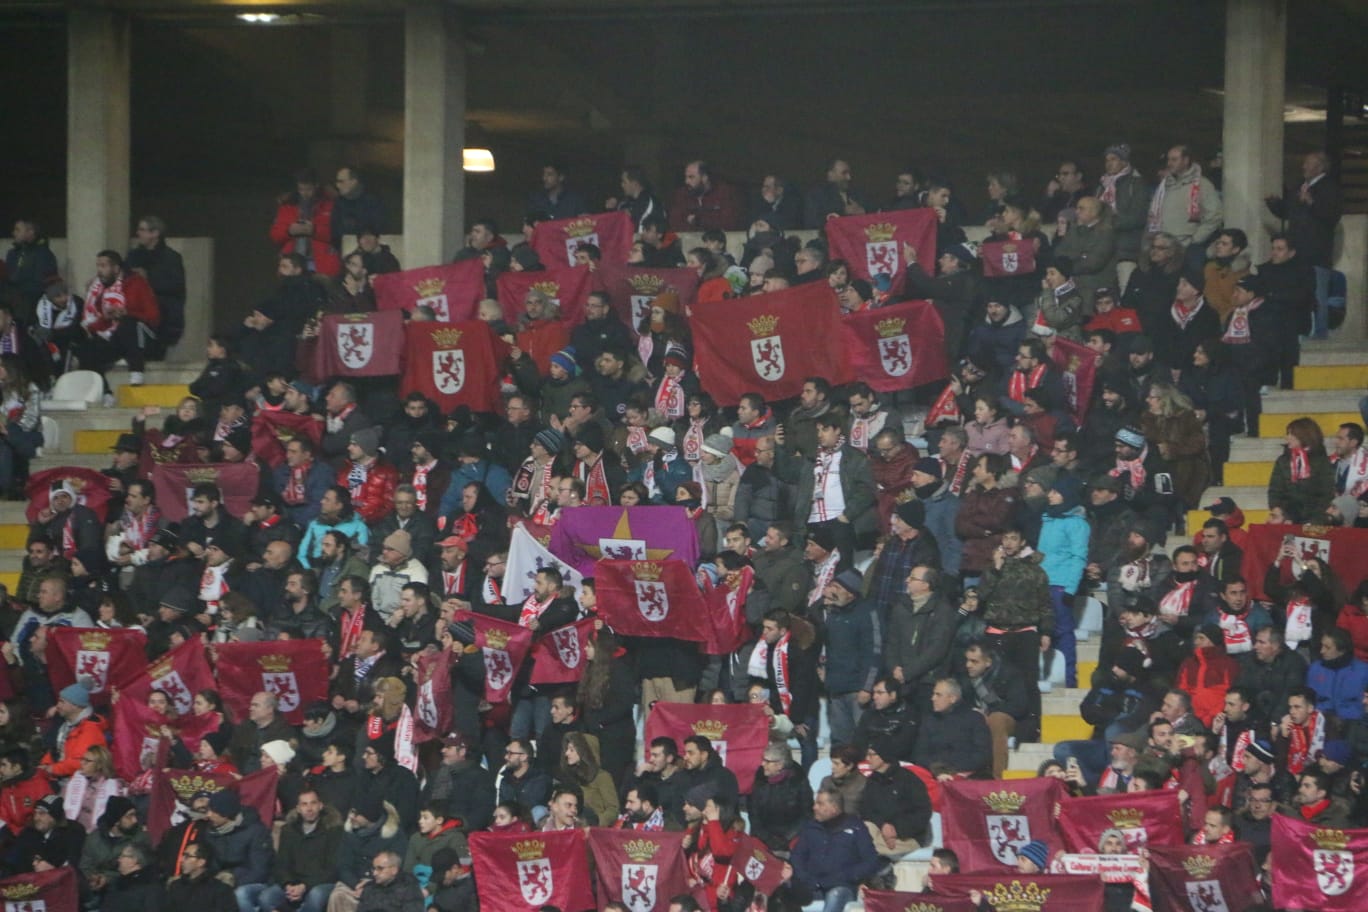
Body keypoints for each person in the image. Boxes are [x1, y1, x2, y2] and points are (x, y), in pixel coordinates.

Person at [784, 787, 882, 912]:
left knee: (835, 895)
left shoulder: (856, 827)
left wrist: (846, 876)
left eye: (820, 804)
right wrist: (806, 878)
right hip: (811, 885)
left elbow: (871, 861)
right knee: (783, 893)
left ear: (834, 808)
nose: (814, 807)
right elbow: (797, 857)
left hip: (842, 886)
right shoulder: (811, 827)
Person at [76, 250, 160, 385]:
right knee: (87, 350)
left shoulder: (137, 283)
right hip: (114, 336)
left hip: (143, 337)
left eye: (103, 266)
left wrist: (127, 313)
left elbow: (153, 317)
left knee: (128, 323)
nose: (99, 270)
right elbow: (93, 323)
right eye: (98, 266)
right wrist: (106, 317)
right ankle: (104, 392)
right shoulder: (98, 289)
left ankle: (137, 372)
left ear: (116, 268)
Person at [861, 735, 931, 858]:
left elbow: (922, 813)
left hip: (907, 838)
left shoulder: (909, 780)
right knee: (863, 832)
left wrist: (896, 829)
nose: (867, 759)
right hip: (880, 834)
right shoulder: (872, 781)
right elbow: (867, 811)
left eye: (872, 754)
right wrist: (883, 826)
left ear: (884, 755)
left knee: (862, 848)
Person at [125, 214, 187, 349]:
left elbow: (176, 287)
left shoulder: (171, 258)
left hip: (163, 314)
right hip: (136, 309)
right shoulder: (133, 256)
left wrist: (148, 279)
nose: (138, 233)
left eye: (142, 230)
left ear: (155, 233)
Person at [748, 743, 811, 853]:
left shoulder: (798, 781)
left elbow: (806, 814)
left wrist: (786, 838)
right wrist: (765, 837)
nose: (762, 764)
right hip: (763, 835)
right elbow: (753, 811)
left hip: (790, 836)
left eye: (767, 761)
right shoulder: (760, 777)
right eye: (763, 759)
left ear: (780, 765)